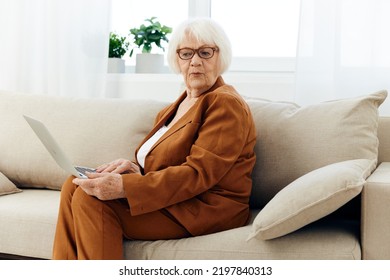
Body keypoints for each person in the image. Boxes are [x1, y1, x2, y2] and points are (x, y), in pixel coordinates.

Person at [52, 18, 257, 260]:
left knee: (93, 202)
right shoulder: (175, 107)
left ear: (220, 57)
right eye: (186, 53)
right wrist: (133, 168)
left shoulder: (224, 103)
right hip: (174, 198)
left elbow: (198, 173)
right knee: (73, 184)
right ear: (176, 59)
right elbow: (166, 161)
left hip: (204, 207)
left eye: (205, 52)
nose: (195, 61)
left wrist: (124, 187)